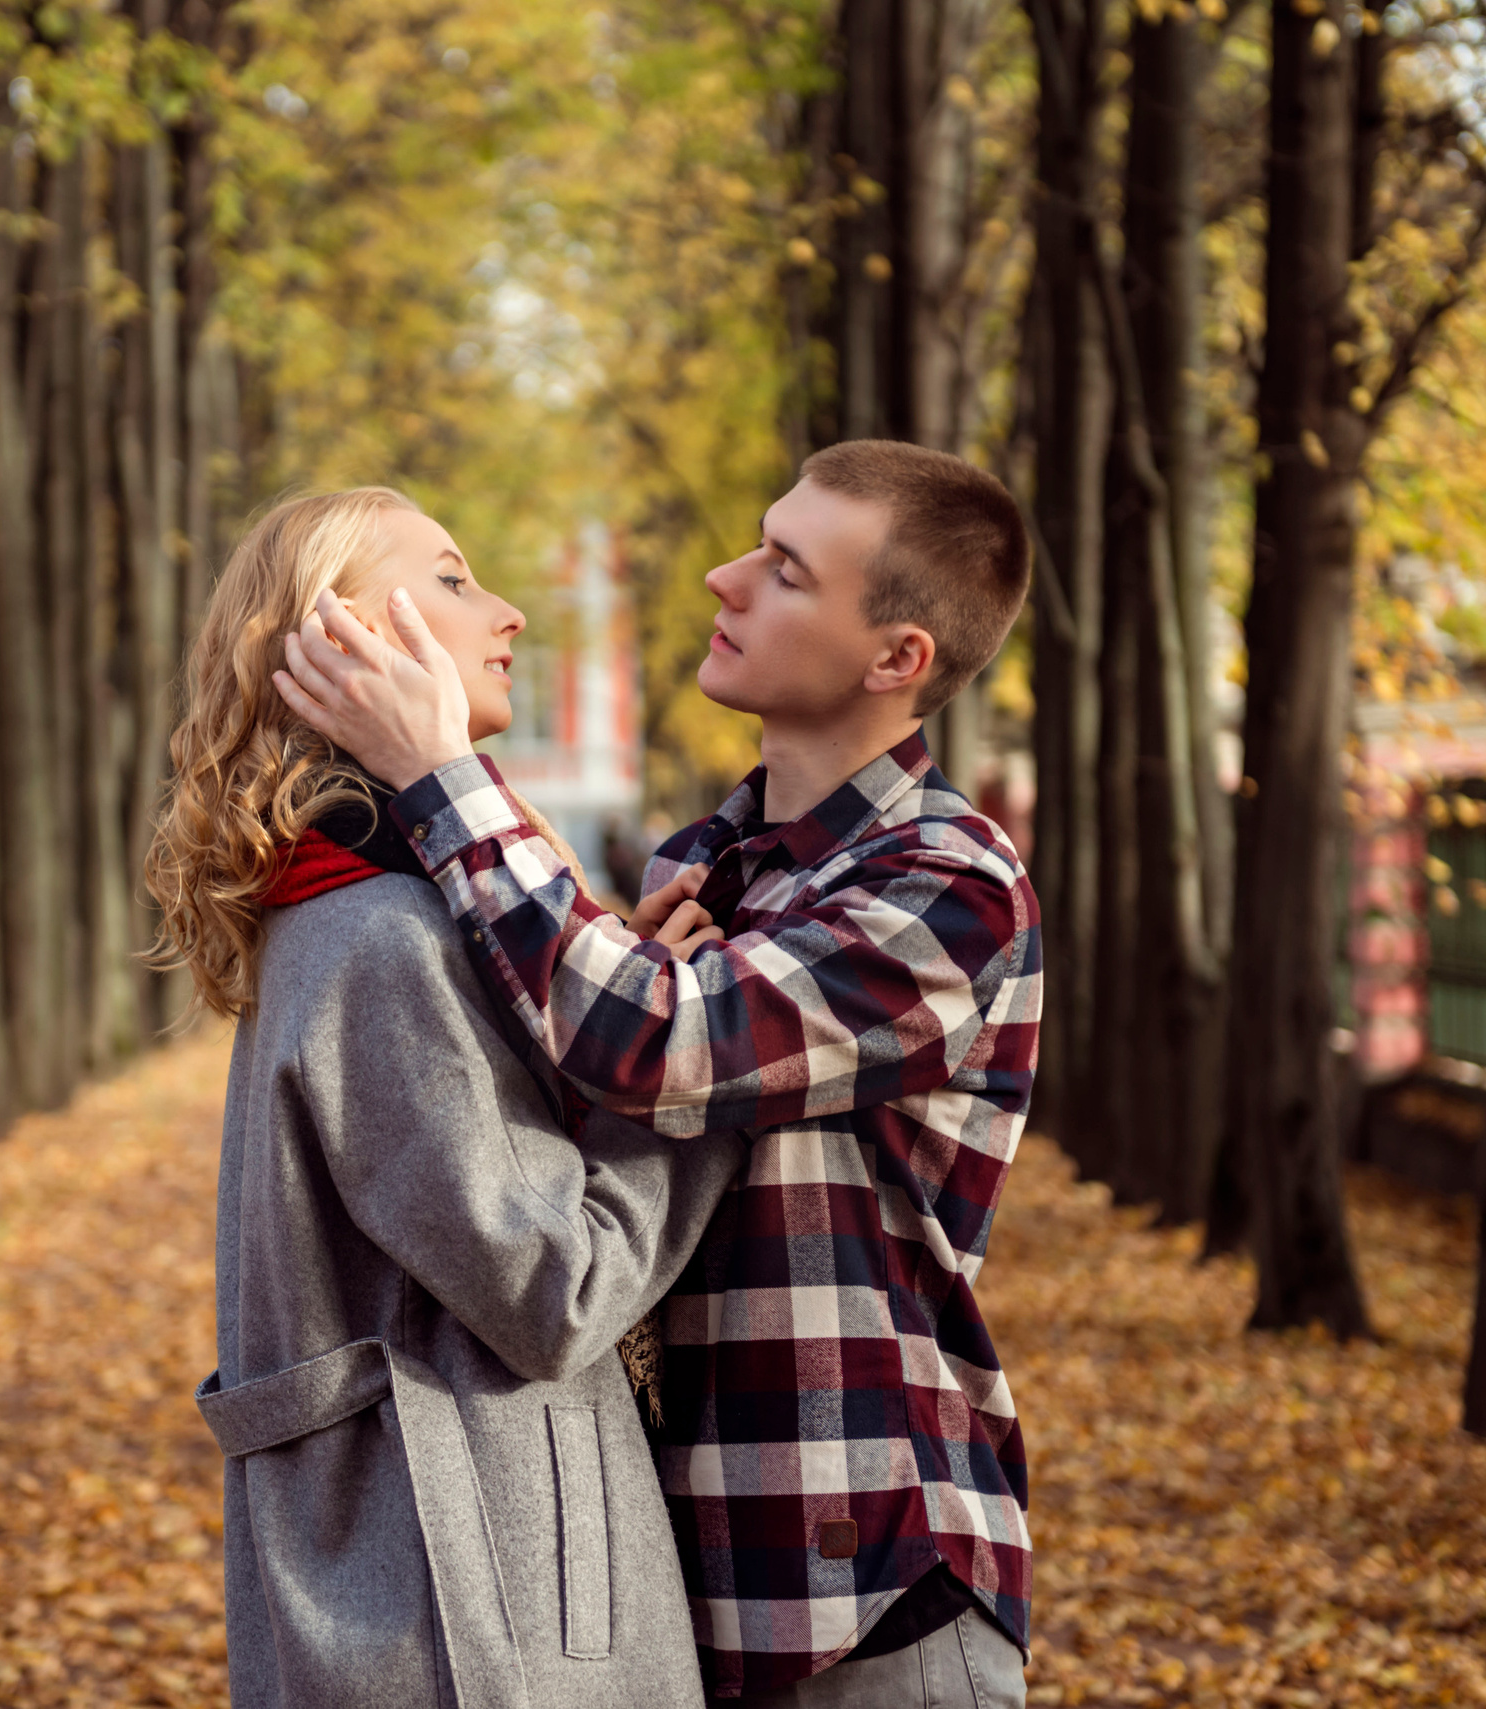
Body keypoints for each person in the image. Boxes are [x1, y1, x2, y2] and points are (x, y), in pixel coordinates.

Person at [275, 441, 1042, 1708]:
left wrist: (441, 779)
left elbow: (654, 1047)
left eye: (785, 570)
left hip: (863, 1589)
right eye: (756, 540)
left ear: (895, 657)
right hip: (674, 1596)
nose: (723, 575)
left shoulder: (946, 882)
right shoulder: (712, 866)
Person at [152, 486, 745, 1709]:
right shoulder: (380, 936)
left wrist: (594, 1013)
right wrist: (682, 1079)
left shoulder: (339, 905)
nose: (510, 613)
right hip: (476, 1614)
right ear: (344, 639)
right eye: (457, 579)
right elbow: (554, 1287)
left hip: (443, 1574)